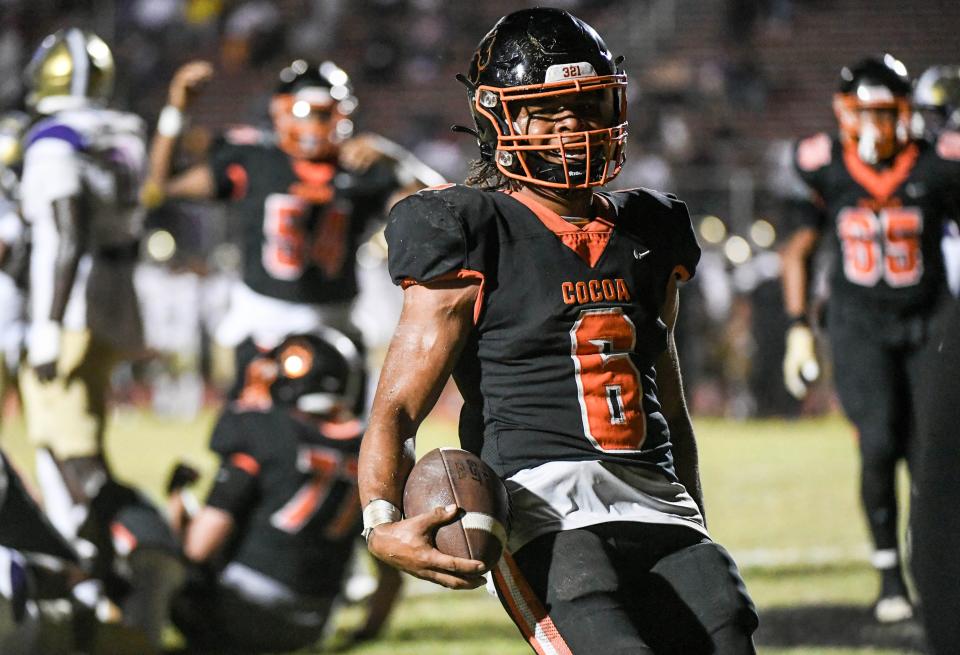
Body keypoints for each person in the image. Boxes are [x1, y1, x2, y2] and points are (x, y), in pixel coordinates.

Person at [358, 8, 758, 654]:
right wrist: (380, 521)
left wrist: (695, 517)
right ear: (501, 120)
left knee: (729, 629)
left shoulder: (648, 232)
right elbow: (397, 407)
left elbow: (673, 412)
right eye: (548, 110)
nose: (572, 125)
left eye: (585, 103)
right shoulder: (471, 230)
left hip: (658, 504)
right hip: (545, 513)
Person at [780, 54, 960, 623]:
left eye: (886, 115)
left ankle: (932, 568)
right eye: (864, 115)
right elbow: (799, 250)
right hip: (858, 323)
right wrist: (797, 329)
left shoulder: (937, 166)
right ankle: (889, 576)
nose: (875, 129)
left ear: (906, 114)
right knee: (879, 443)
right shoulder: (825, 165)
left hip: (928, 319)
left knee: (929, 451)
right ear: (843, 115)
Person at [145, 58, 444, 399]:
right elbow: (163, 182)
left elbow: (439, 208)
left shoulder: (360, 164)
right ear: (284, 112)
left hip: (336, 323)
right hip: (262, 323)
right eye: (314, 113)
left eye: (330, 113)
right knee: (252, 439)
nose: (324, 123)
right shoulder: (256, 158)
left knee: (346, 441)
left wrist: (393, 157)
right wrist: (176, 109)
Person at [167, 329, 402, 654]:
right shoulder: (369, 451)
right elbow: (391, 572)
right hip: (315, 622)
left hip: (243, 608)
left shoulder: (264, 432)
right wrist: (365, 634)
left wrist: (176, 495)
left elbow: (198, 547)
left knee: (164, 565)